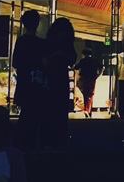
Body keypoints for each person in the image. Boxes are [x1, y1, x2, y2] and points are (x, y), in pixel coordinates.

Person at [11, 9, 47, 152]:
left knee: (25, 116)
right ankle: (31, 145)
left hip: (24, 84)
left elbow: (15, 63)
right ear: (37, 23)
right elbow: (45, 64)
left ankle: (21, 145)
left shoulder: (21, 41)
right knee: (36, 116)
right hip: (37, 85)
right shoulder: (42, 44)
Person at [43, 18, 76, 149]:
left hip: (51, 79)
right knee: (60, 112)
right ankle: (60, 140)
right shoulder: (67, 45)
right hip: (61, 79)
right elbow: (72, 60)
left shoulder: (47, 43)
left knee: (50, 111)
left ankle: (49, 140)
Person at [76, 45, 103, 117]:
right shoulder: (95, 60)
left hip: (85, 78)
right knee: (91, 94)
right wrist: (98, 75)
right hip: (92, 78)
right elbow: (102, 67)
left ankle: (86, 109)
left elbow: (76, 67)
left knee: (85, 94)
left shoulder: (83, 61)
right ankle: (89, 110)